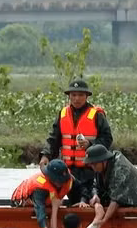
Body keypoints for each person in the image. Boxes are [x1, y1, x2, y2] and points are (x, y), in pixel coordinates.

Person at [39, 79, 113, 207]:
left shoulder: (96, 115)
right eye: (73, 95)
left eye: (80, 95)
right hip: (69, 171)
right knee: (75, 202)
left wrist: (90, 144)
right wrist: (46, 155)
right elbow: (53, 139)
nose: (76, 99)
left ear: (87, 96)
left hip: (91, 170)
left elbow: (107, 138)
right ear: (69, 96)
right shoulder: (62, 114)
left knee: (90, 200)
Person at [85, 144, 137, 226]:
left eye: (94, 164)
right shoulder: (100, 168)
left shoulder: (120, 168)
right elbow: (95, 185)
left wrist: (103, 220)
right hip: (126, 202)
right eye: (91, 164)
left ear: (104, 160)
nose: (93, 167)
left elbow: (116, 199)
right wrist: (95, 195)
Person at [11, 159, 74, 228]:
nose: (61, 183)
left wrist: (82, 201)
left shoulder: (68, 178)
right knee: (43, 208)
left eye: (63, 180)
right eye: (59, 181)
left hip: (50, 202)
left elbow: (79, 189)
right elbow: (39, 208)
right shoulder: (40, 189)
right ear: (51, 177)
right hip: (25, 202)